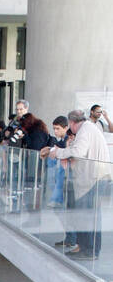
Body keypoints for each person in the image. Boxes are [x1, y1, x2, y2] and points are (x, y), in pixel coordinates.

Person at [41, 108, 109, 258]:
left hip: (92, 179)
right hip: (96, 176)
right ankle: (89, 249)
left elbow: (78, 151)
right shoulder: (89, 128)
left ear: (71, 123)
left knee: (86, 215)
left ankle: (88, 250)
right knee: (92, 215)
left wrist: (57, 153)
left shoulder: (85, 130)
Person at [44, 116, 70, 207]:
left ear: (66, 128)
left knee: (59, 180)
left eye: (58, 129)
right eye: (54, 129)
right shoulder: (62, 140)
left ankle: (56, 199)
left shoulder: (68, 139)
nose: (55, 131)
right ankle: (57, 199)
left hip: (65, 167)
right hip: (60, 167)